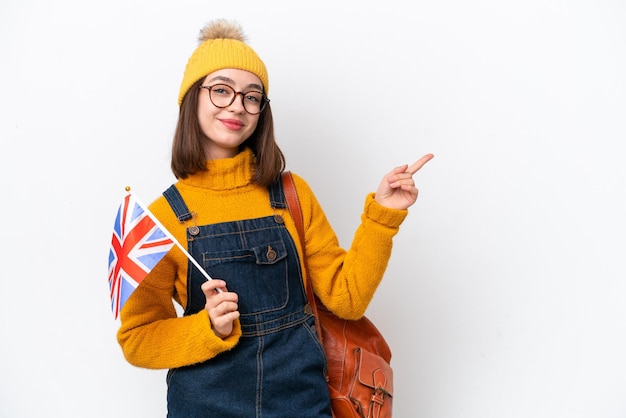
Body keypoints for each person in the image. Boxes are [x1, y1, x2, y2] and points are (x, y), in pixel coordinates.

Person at [116, 18, 433, 417]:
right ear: (192, 98)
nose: (237, 105)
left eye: (252, 96)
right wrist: (207, 328)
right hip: (204, 406)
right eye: (221, 91)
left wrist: (383, 216)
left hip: (300, 401)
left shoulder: (290, 194)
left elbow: (347, 299)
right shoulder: (161, 217)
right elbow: (138, 339)